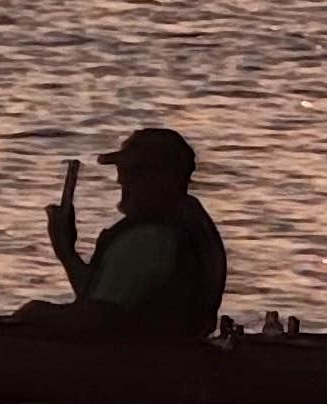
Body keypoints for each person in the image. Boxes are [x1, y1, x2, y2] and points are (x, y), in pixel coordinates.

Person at [32, 125, 229, 338]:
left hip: (145, 359)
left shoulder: (149, 240)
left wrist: (36, 313)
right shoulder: (186, 226)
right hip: (170, 353)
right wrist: (66, 252)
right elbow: (97, 296)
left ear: (161, 178)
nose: (121, 180)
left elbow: (96, 319)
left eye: (132, 172)